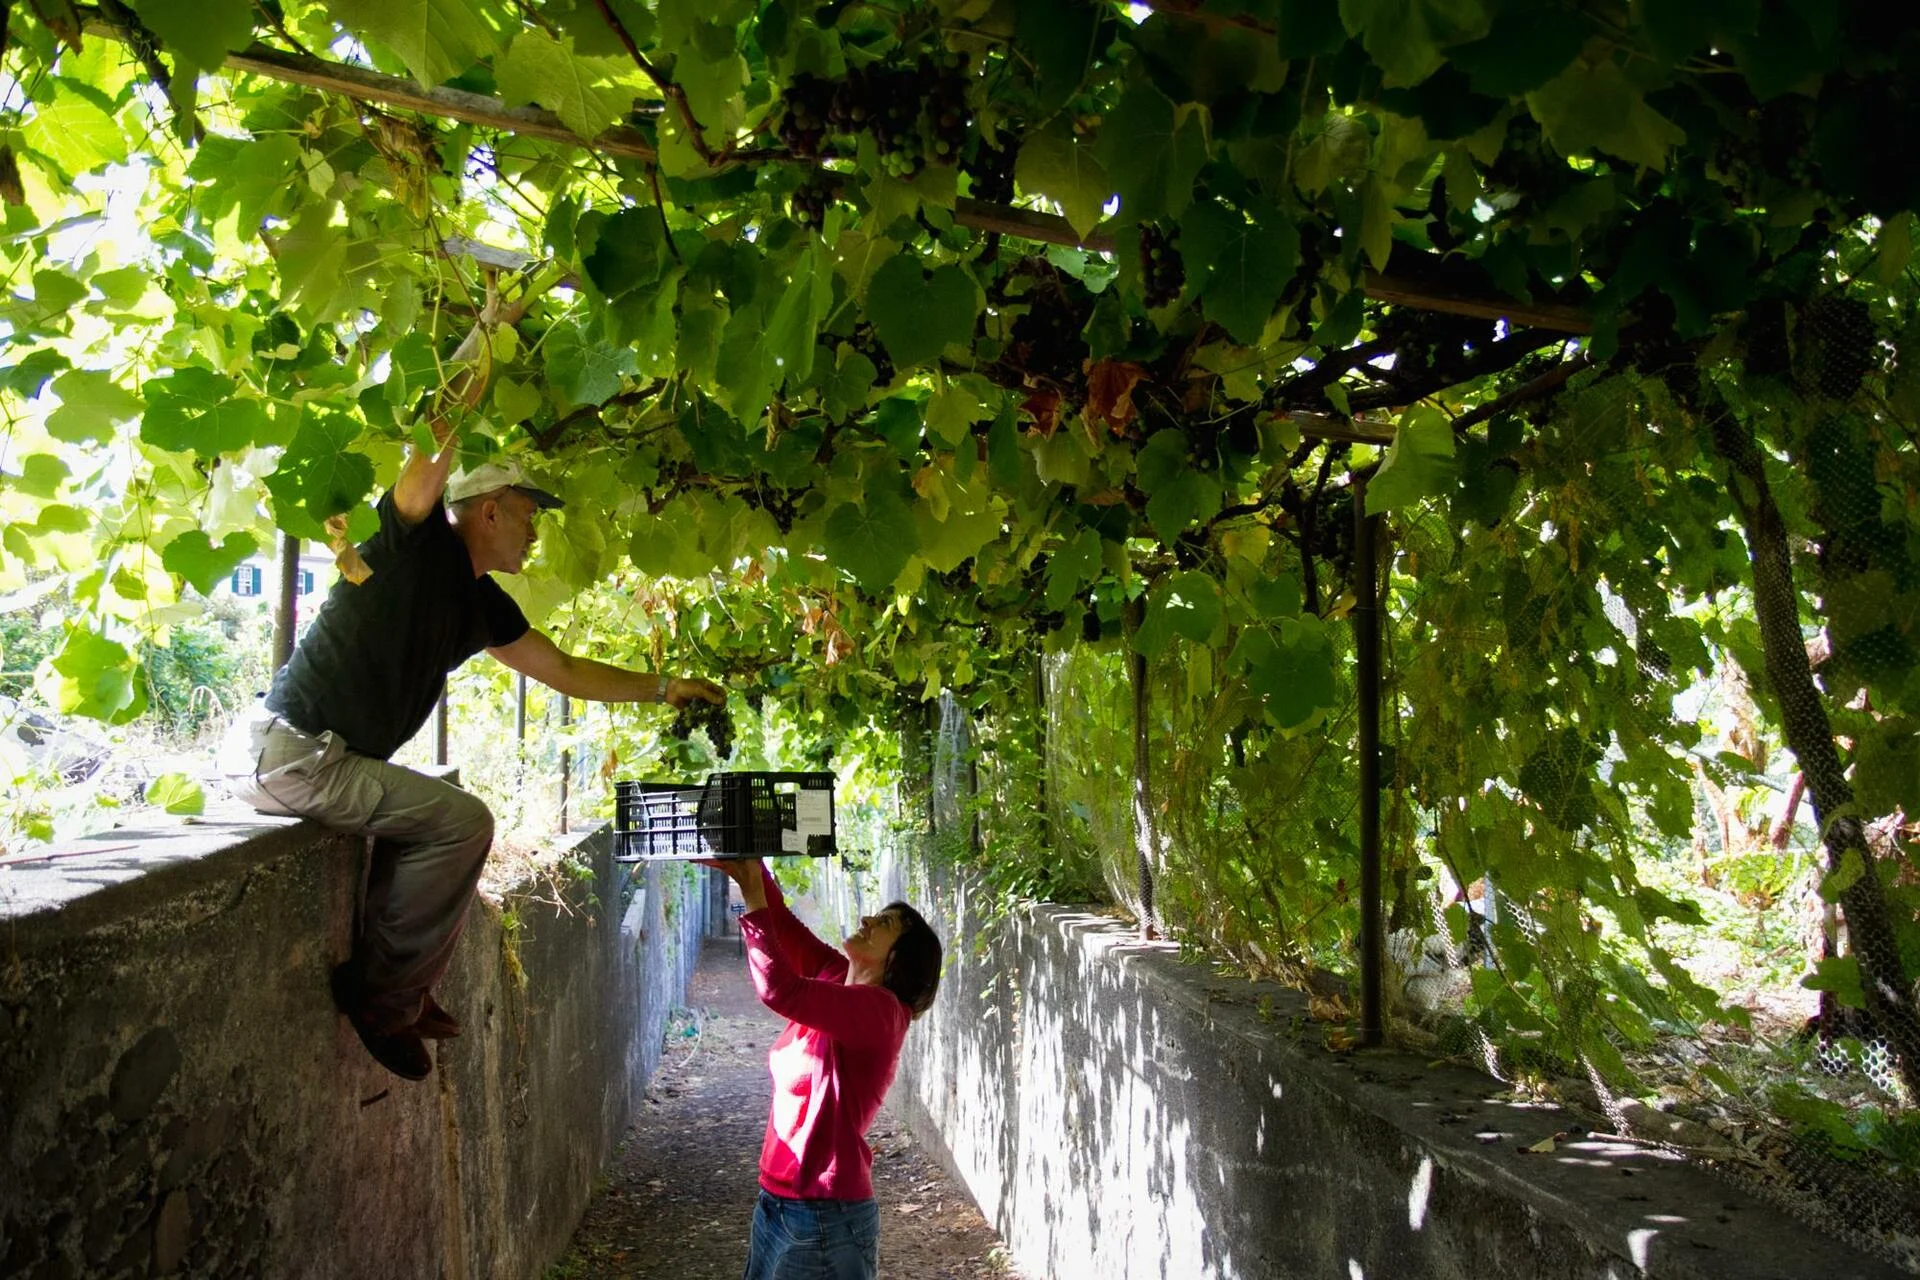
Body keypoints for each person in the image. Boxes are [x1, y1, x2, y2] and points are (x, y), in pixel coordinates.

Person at [219, 421, 723, 1083]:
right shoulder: (413, 542)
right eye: (527, 514)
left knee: (436, 812)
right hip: (291, 751)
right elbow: (427, 459)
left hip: (311, 756)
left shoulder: (482, 603)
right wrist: (472, 373)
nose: (535, 532)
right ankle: (383, 1000)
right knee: (462, 821)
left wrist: (663, 688)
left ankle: (400, 981)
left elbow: (564, 670)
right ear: (488, 511)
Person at [700, 856, 942, 1280]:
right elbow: (781, 924)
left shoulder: (882, 1012)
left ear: (898, 960)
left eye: (885, 922)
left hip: (826, 1217)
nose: (868, 920)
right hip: (777, 1201)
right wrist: (742, 860)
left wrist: (750, 892)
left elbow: (779, 989)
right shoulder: (836, 976)